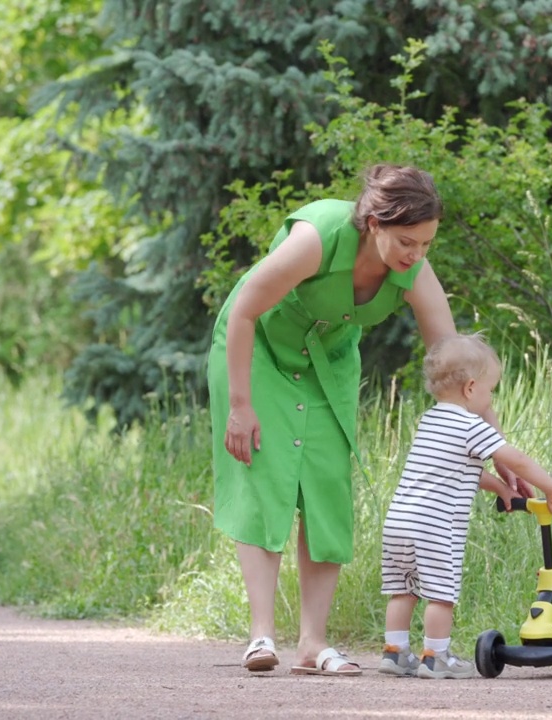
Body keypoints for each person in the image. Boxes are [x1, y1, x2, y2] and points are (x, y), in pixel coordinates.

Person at [208, 164, 532, 676]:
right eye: (407, 241)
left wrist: (497, 449)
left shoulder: (414, 271)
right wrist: (240, 405)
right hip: (259, 356)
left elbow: (458, 370)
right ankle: (260, 637)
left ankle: (313, 645)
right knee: (266, 479)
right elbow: (246, 308)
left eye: (427, 244)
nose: (416, 255)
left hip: (327, 366)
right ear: (374, 223)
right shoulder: (316, 239)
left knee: (325, 488)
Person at [377, 333, 552, 679]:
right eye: (490, 390)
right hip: (434, 526)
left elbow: (462, 468)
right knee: (441, 594)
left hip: (398, 523)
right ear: (470, 388)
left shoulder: (430, 421)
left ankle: (395, 653)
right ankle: (436, 657)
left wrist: (500, 487)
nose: (490, 399)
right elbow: (516, 459)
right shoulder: (471, 426)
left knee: (403, 589)